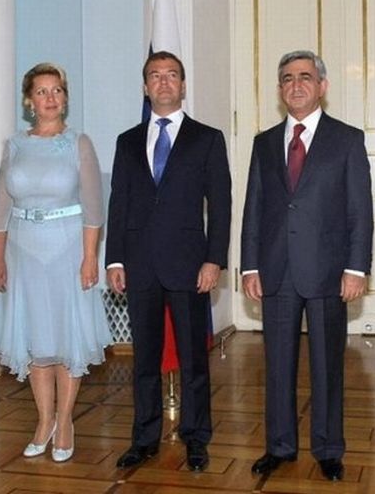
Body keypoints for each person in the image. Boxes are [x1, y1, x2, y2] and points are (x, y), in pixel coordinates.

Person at [241, 50, 373, 482]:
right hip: (276, 270)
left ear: (322, 86)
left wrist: (356, 267)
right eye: (287, 78)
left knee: (327, 365)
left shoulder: (347, 139)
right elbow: (254, 208)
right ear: (280, 89)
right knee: (277, 365)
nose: (295, 85)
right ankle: (279, 445)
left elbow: (360, 209)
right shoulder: (263, 143)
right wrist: (249, 266)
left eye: (305, 77)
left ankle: (329, 448)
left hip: (328, 271)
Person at [106, 51, 231, 472]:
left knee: (194, 359)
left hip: (189, 266)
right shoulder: (127, 141)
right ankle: (144, 439)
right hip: (139, 265)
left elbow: (221, 204)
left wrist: (214, 260)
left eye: (171, 75)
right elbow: (119, 202)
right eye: (155, 76)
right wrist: (114, 259)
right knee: (144, 360)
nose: (163, 82)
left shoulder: (207, 138)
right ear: (145, 87)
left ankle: (196, 438)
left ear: (183, 85)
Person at [0, 62, 112, 463]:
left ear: (65, 98)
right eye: (42, 91)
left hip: (68, 252)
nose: (50, 98)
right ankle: (44, 421)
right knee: (37, 342)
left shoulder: (78, 144)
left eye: (57, 90)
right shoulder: (14, 146)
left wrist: (89, 258)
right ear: (29, 101)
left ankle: (66, 421)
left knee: (66, 339)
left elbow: (94, 208)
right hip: (23, 255)